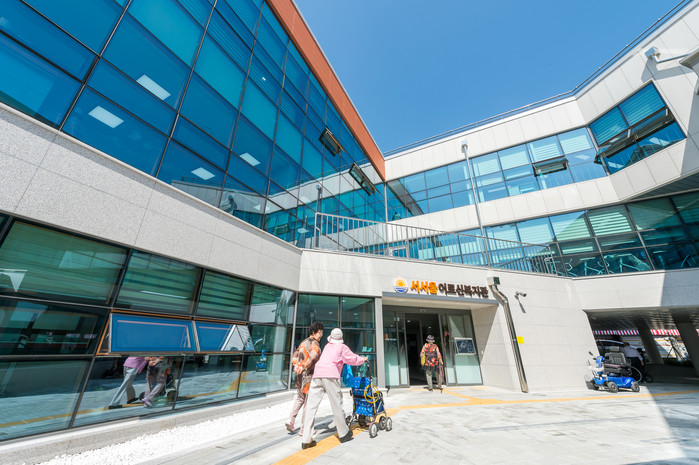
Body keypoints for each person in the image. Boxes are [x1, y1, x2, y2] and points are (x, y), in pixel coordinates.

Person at [300, 328, 367, 450]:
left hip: (317, 374)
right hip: (330, 376)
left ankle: (306, 439)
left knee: (311, 407)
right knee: (336, 405)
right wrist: (363, 359)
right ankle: (343, 434)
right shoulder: (342, 347)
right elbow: (352, 359)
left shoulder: (327, 346)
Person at [286, 322, 324, 435]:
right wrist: (304, 367)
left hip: (299, 376)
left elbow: (295, 355)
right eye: (321, 333)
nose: (321, 335)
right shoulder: (315, 343)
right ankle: (304, 429)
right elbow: (313, 356)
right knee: (308, 402)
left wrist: (296, 366)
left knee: (300, 398)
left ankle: (290, 419)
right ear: (317, 332)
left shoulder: (304, 342)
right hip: (309, 376)